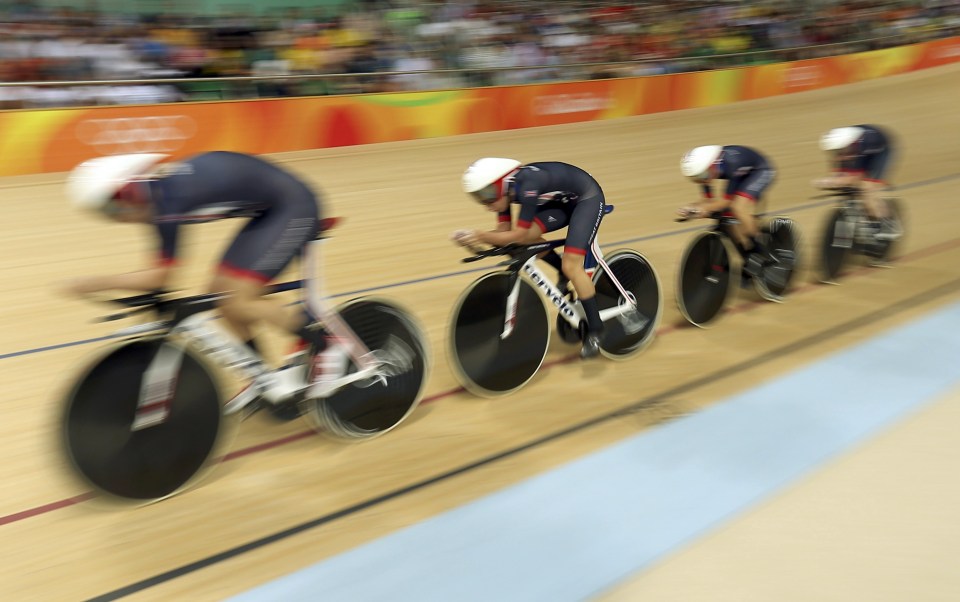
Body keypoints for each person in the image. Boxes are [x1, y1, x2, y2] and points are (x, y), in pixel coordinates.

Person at [63, 150, 343, 403]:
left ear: (128, 192)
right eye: (104, 213)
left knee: (238, 301)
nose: (114, 218)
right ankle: (262, 377)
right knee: (221, 295)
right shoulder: (156, 196)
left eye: (111, 209)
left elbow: (161, 278)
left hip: (294, 206)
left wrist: (93, 283)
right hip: (269, 210)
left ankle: (327, 344)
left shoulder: (167, 203)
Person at [452, 158, 607, 359]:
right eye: (479, 197)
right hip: (561, 201)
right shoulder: (506, 190)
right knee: (525, 242)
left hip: (587, 199)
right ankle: (561, 270)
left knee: (572, 265)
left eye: (487, 194)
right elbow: (504, 234)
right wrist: (471, 240)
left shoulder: (528, 184)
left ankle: (596, 330)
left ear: (501, 183)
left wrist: (480, 235)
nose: (485, 203)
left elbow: (516, 235)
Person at [677, 144, 779, 284]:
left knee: (737, 208)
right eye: (695, 178)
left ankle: (762, 249)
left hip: (761, 171)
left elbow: (726, 201)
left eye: (702, 176)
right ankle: (749, 255)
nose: (701, 180)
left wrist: (704, 210)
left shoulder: (731, 163)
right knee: (726, 216)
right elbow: (708, 200)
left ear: (712, 165)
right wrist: (691, 207)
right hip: (742, 175)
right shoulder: (705, 171)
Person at [814, 125, 901, 244]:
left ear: (848, 145)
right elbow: (839, 174)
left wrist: (831, 182)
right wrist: (834, 180)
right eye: (833, 152)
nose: (836, 156)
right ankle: (857, 221)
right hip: (861, 149)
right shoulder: (841, 147)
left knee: (867, 188)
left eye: (837, 152)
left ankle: (888, 225)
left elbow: (855, 176)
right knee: (846, 185)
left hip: (881, 152)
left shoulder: (862, 144)